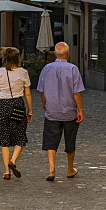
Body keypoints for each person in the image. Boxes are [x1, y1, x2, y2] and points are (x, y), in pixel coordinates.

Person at [36, 41, 85, 182]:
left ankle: (52, 169)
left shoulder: (46, 68)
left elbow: (42, 90)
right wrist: (80, 109)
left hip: (52, 110)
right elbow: (77, 92)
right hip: (69, 111)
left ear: (55, 54)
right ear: (68, 54)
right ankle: (70, 169)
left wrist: (45, 105)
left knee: (51, 140)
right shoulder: (73, 69)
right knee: (70, 140)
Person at [0, 47, 32, 180]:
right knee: (20, 135)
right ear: (18, 59)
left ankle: (7, 171)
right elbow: (28, 93)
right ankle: (13, 161)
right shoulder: (23, 72)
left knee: (4, 139)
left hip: (3, 105)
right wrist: (30, 110)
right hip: (17, 104)